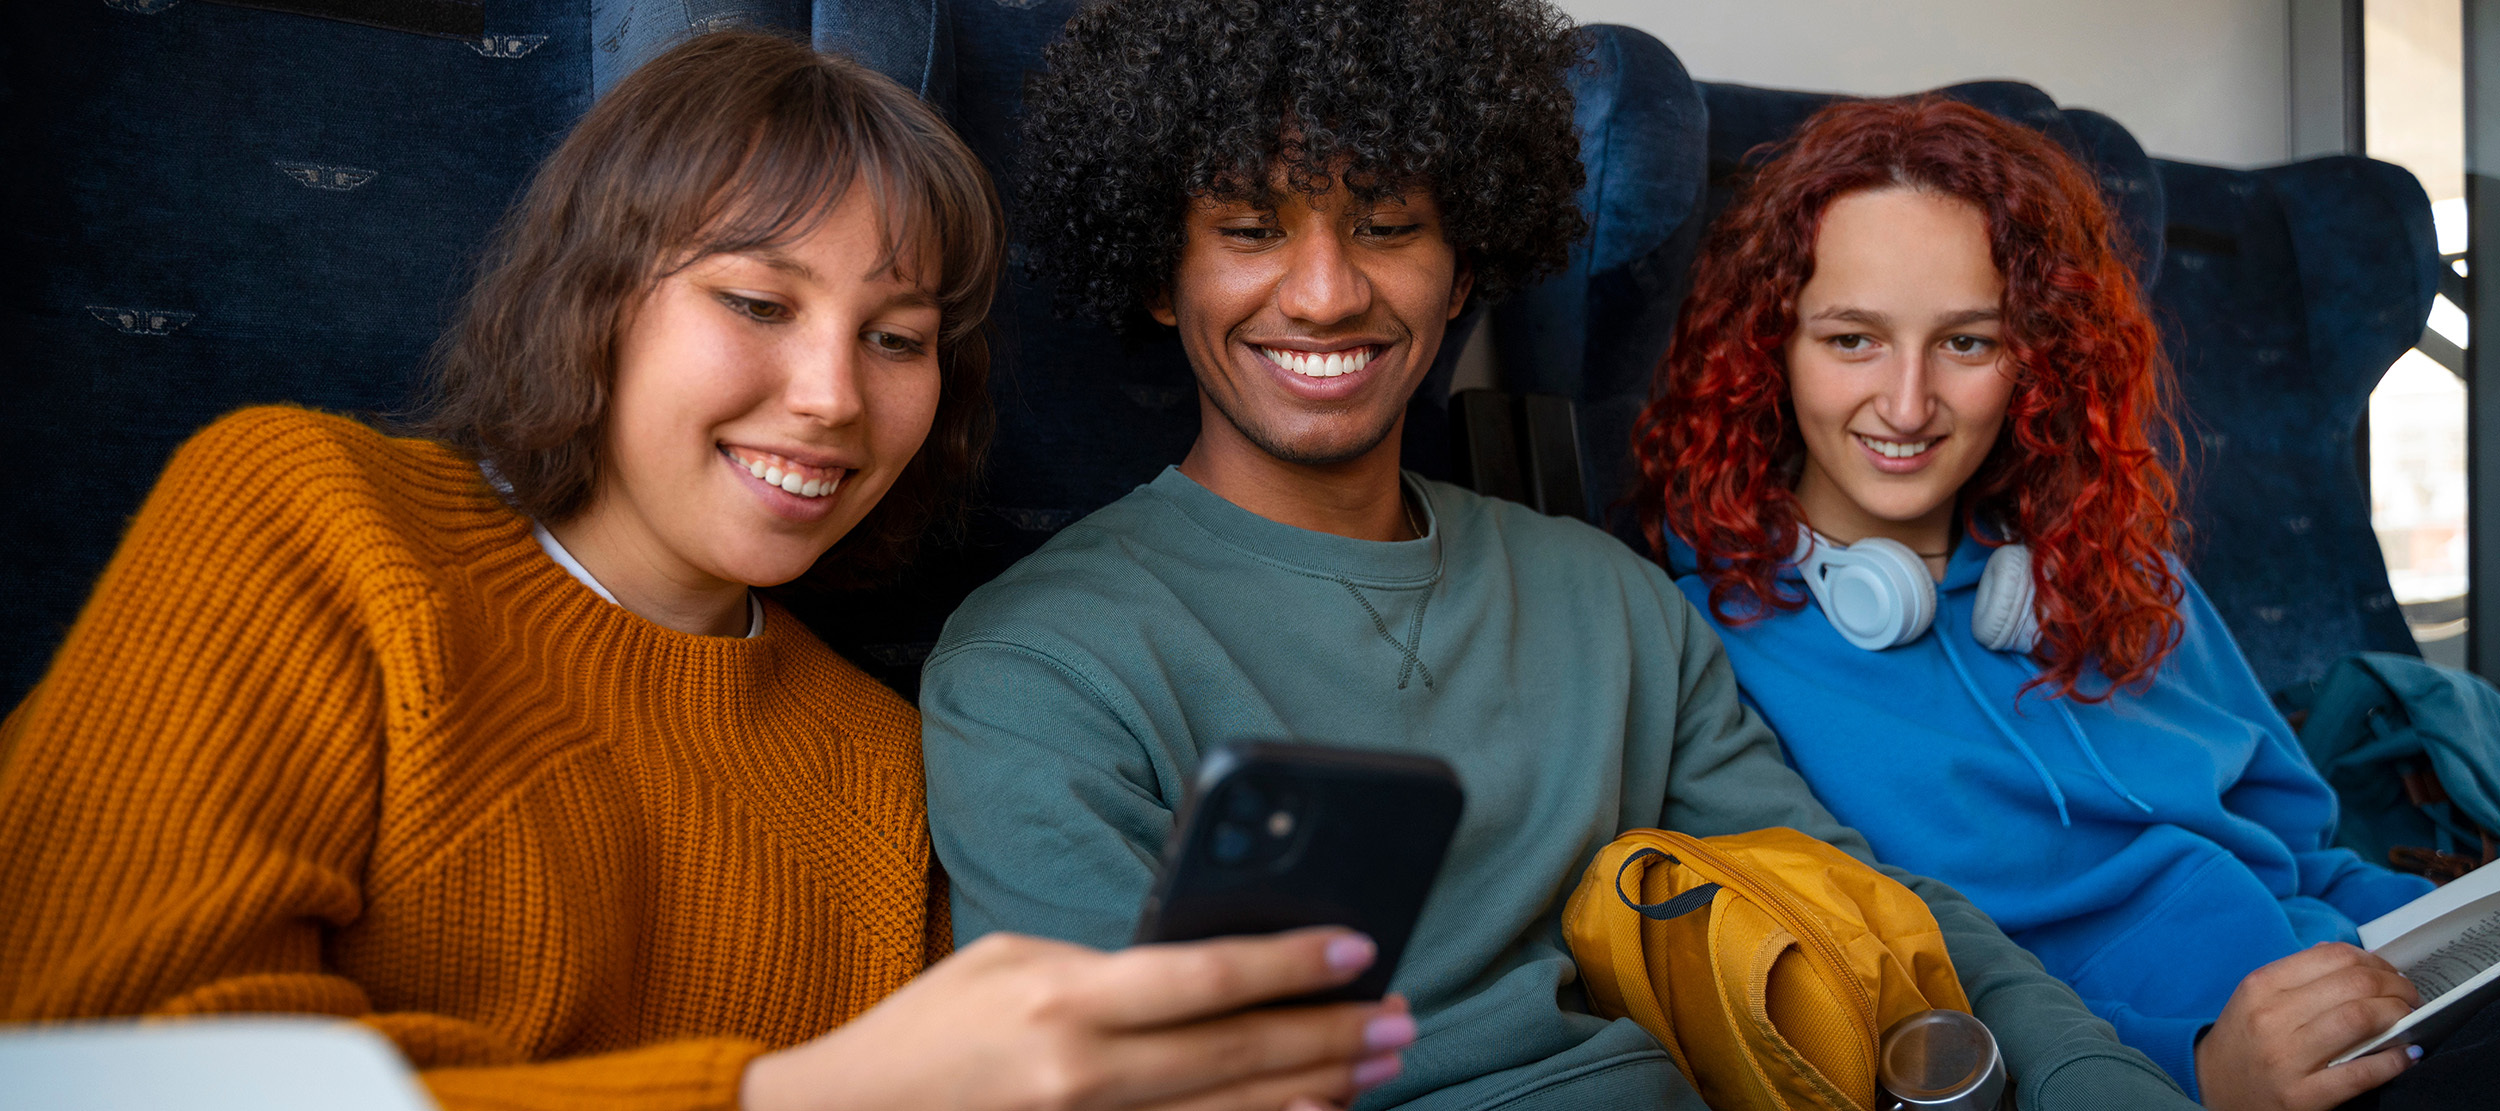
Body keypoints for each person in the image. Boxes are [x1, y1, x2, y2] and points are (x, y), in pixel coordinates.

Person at [0, 32, 1410, 1111]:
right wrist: (780, 1095)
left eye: (897, 337)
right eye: (755, 302)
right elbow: (89, 1059)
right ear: (597, 294)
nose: (830, 398)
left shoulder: (881, 761)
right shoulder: (306, 520)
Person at [917, 2, 2197, 1107]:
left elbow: (1868, 904)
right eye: (1249, 229)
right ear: (1162, 269)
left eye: (1382, 224)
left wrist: (2094, 1076)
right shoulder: (1037, 663)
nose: (1321, 293)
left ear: (1462, 262)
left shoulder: (1605, 602)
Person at [1631, 97, 2451, 1111]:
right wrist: (2195, 1073)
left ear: (2032, 361)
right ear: (1771, 348)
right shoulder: (1696, 649)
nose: (1904, 403)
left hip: (2377, 1016)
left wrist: (2459, 937)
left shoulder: (2118, 572)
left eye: (1966, 343)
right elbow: (1871, 1023)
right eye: (1852, 340)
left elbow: (2309, 858)